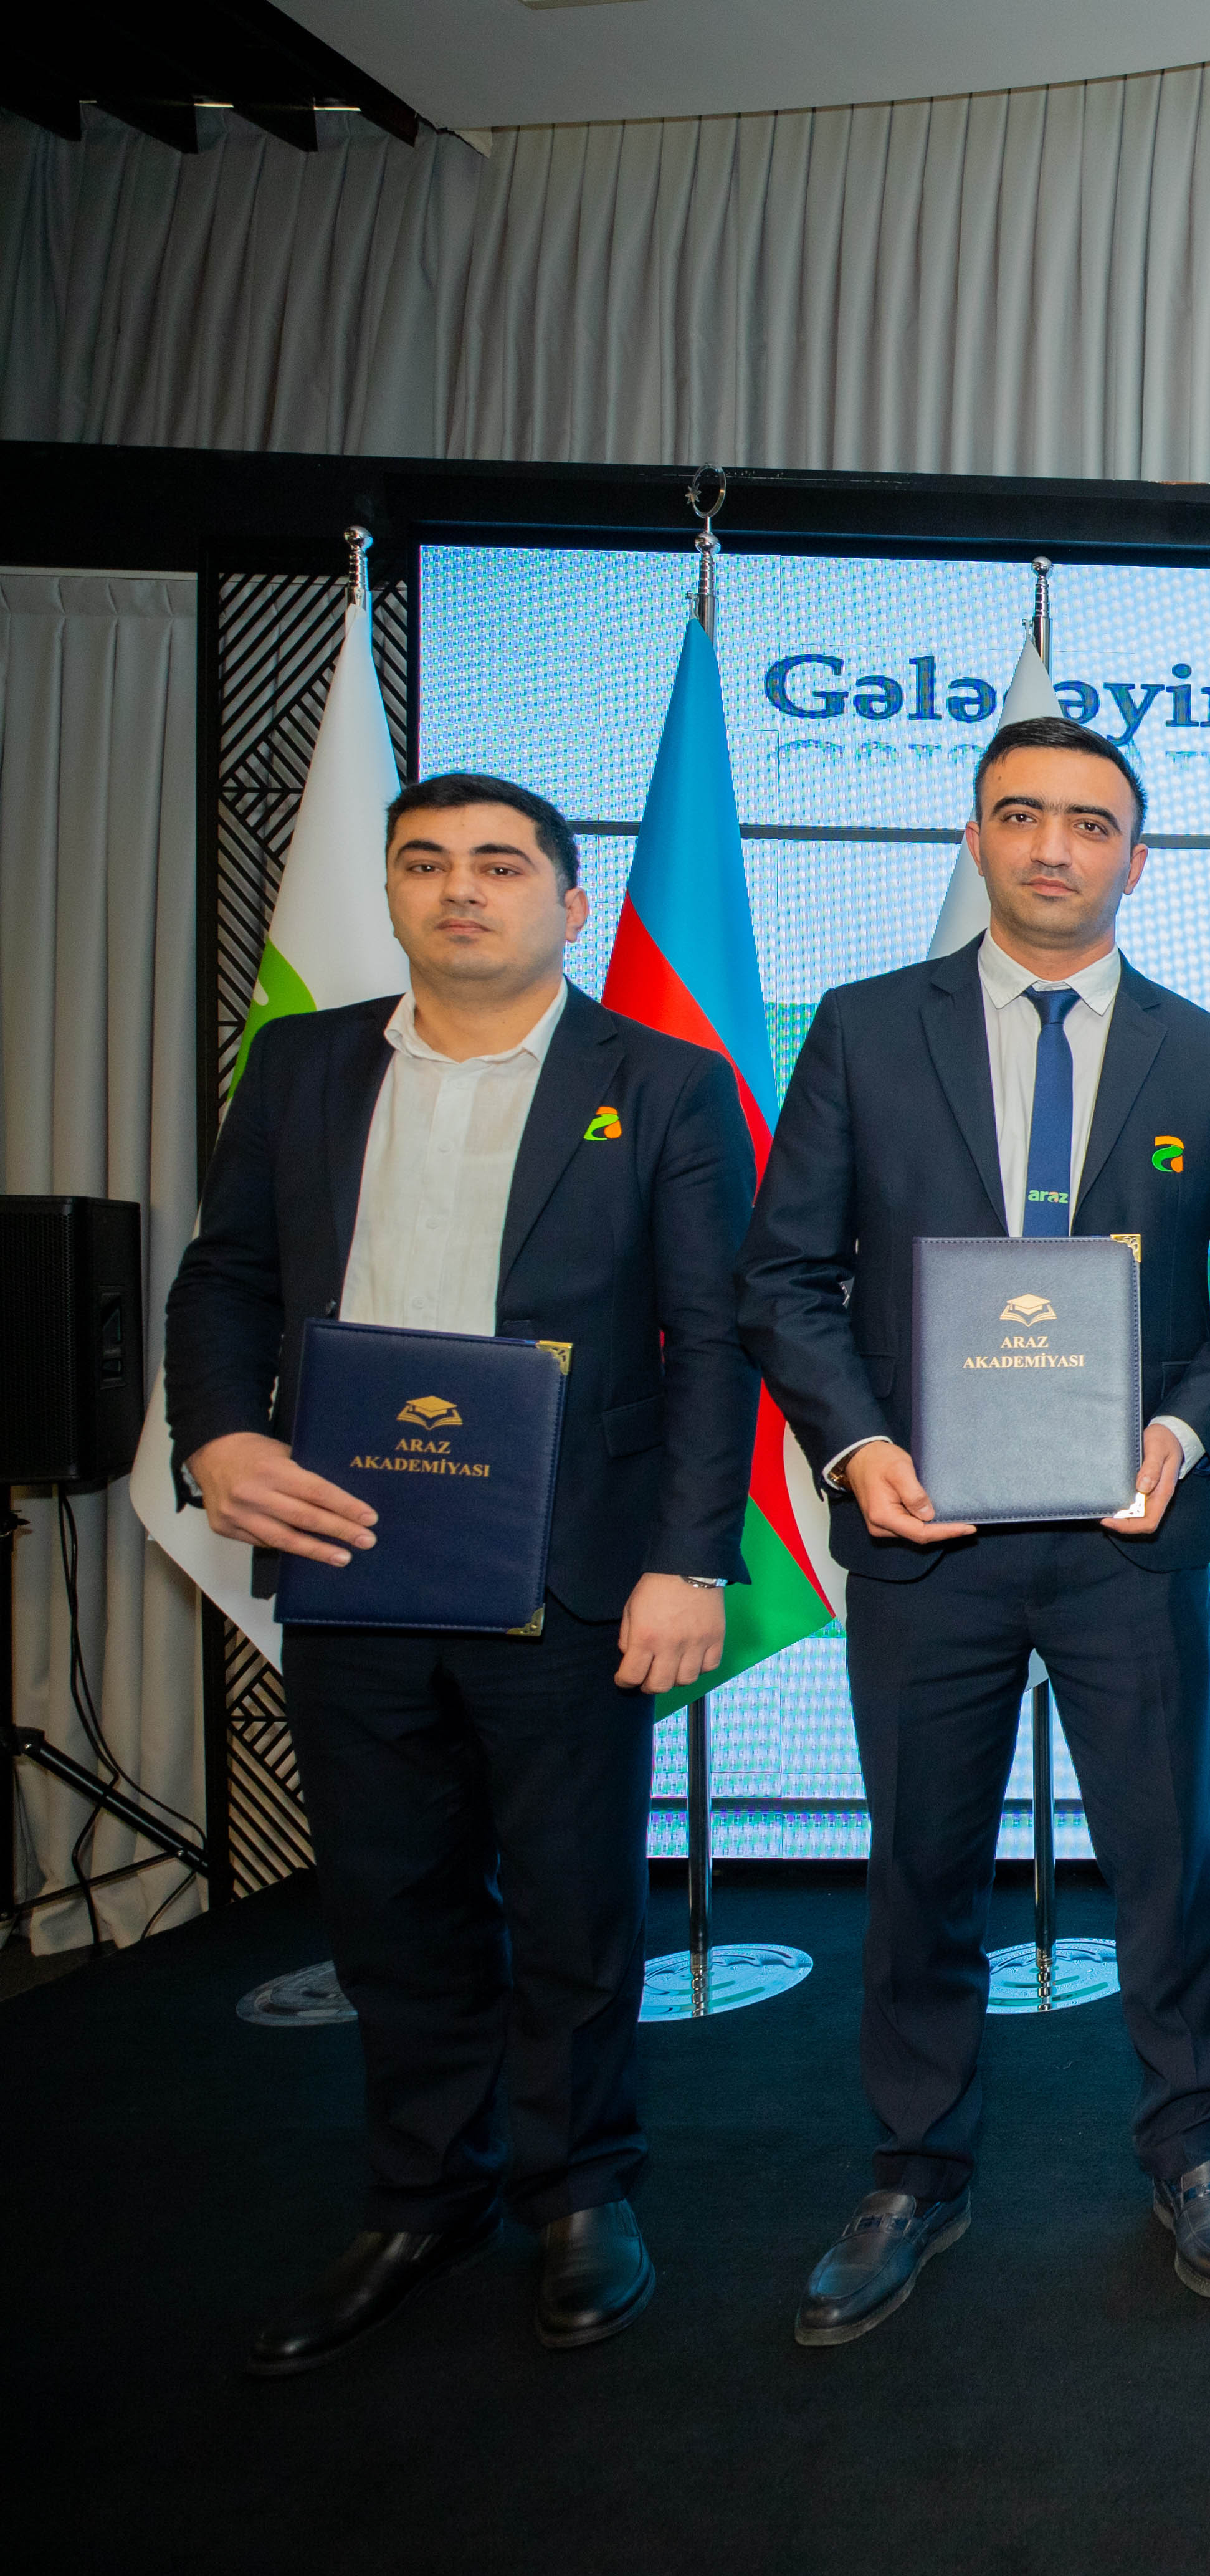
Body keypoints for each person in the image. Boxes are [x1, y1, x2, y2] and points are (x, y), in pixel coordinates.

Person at [169, 774, 756, 2373]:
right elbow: (224, 1277)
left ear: (570, 905)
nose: (460, 890)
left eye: (500, 865)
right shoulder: (301, 1064)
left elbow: (712, 1340)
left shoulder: (663, 1082)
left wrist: (687, 1560)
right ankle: (422, 2195)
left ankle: (581, 2193)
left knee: (572, 1901)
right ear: (391, 893)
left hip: (569, 1562)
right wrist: (217, 1435)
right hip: (347, 1550)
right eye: (424, 863)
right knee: (392, 1897)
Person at [735, 715, 1210, 2345]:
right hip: (927, 1537)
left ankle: (1195, 2147)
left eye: (1091, 822)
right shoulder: (860, 1031)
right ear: (973, 838)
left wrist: (1182, 1432)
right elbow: (785, 1278)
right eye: (1023, 816)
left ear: (1139, 857)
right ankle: (917, 2169)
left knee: (1165, 1862)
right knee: (921, 1866)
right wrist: (857, 1449)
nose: (1056, 846)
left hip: (1132, 1539)